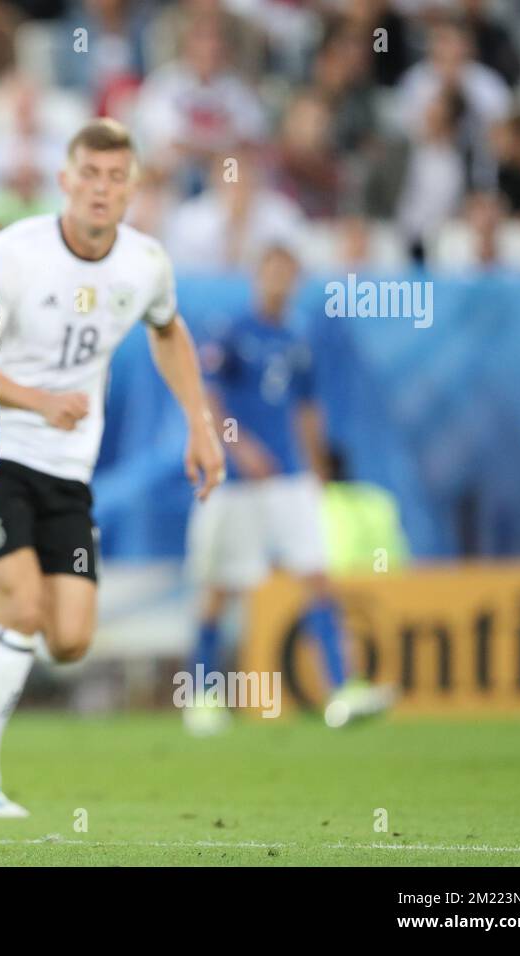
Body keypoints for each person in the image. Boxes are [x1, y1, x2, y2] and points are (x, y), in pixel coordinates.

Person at [0, 118, 224, 818]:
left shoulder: (145, 263)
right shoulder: (13, 256)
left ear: (133, 188)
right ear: (65, 180)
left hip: (69, 472)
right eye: (89, 176)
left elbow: (168, 329)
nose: (101, 190)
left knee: (70, 639)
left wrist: (199, 424)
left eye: (116, 178)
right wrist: (39, 400)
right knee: (22, 606)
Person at [184, 245, 393, 734]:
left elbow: (305, 408)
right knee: (220, 588)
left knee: (318, 577)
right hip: (236, 483)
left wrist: (316, 469)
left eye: (287, 273)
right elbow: (207, 396)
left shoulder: (298, 337)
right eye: (271, 271)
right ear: (258, 276)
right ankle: (203, 694)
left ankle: (342, 689)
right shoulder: (232, 330)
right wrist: (238, 448)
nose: (279, 281)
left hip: (289, 481)